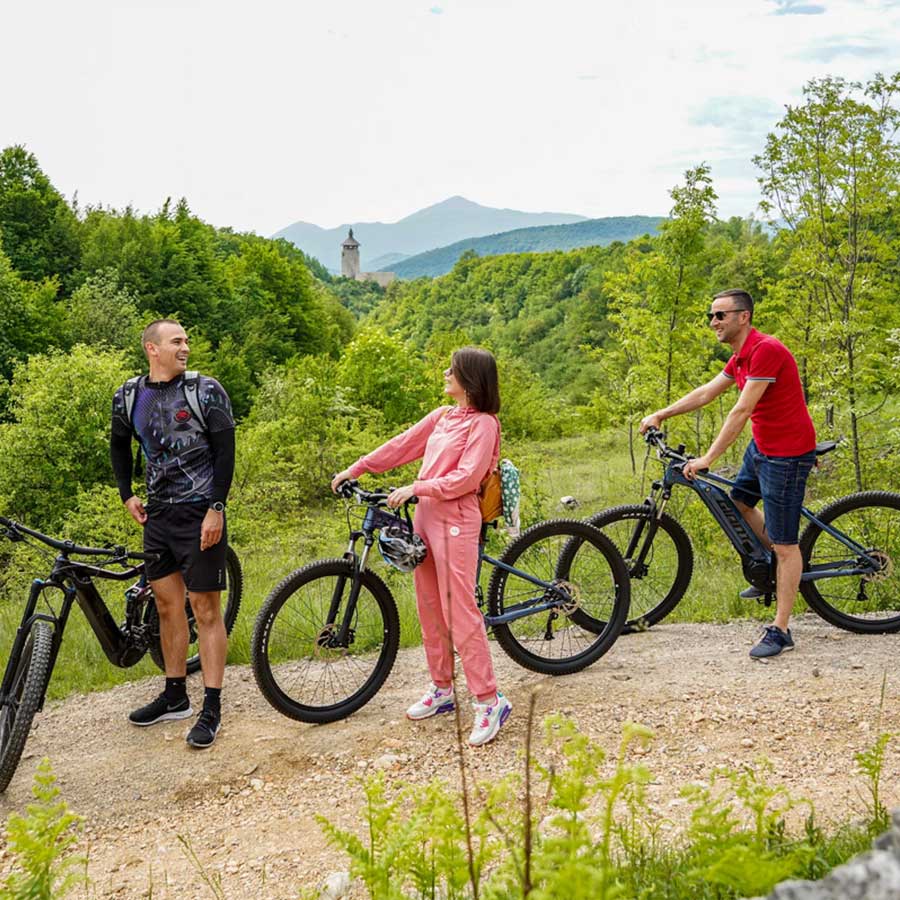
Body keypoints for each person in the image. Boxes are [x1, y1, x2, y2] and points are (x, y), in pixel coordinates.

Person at [331, 347, 512, 746]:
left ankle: (489, 700)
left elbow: (468, 478)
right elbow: (400, 446)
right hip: (427, 517)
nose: (446, 373)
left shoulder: (484, 424)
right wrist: (356, 468)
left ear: (470, 379)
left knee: (459, 610)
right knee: (429, 606)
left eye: (453, 369)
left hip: (457, 520)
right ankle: (442, 688)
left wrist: (418, 487)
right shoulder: (444, 416)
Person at [639, 289, 817, 660]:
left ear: (743, 316)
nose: (713, 322)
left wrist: (707, 458)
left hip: (786, 455)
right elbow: (707, 393)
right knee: (739, 501)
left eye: (720, 315)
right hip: (762, 447)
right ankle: (773, 569)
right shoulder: (740, 356)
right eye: (711, 315)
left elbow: (741, 410)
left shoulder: (765, 350)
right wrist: (661, 414)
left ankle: (781, 629)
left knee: (786, 545)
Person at [110, 319, 235, 747]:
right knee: (167, 607)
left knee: (205, 610)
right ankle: (175, 695)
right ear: (152, 349)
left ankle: (212, 708)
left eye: (187, 340)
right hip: (158, 515)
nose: (185, 347)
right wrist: (127, 494)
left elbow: (225, 452)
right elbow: (118, 444)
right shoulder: (129, 395)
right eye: (176, 341)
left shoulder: (206, 390)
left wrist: (216, 509)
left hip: (200, 513)